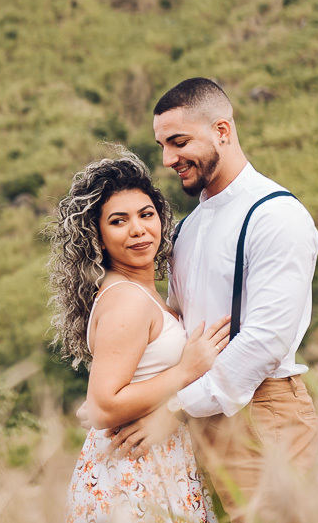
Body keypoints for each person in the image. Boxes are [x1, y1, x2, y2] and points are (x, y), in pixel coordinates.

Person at [110, 77, 318, 521]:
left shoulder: (276, 216)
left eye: (179, 142)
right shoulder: (186, 229)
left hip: (261, 413)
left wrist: (174, 409)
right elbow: (177, 324)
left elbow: (265, 341)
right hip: (196, 419)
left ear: (222, 131)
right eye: (162, 145)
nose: (167, 159)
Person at [47, 150, 230, 522]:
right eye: (119, 221)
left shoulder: (140, 292)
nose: (138, 229)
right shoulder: (127, 300)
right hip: (133, 477)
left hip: (152, 463)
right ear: (97, 237)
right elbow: (103, 407)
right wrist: (185, 370)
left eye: (146, 214)